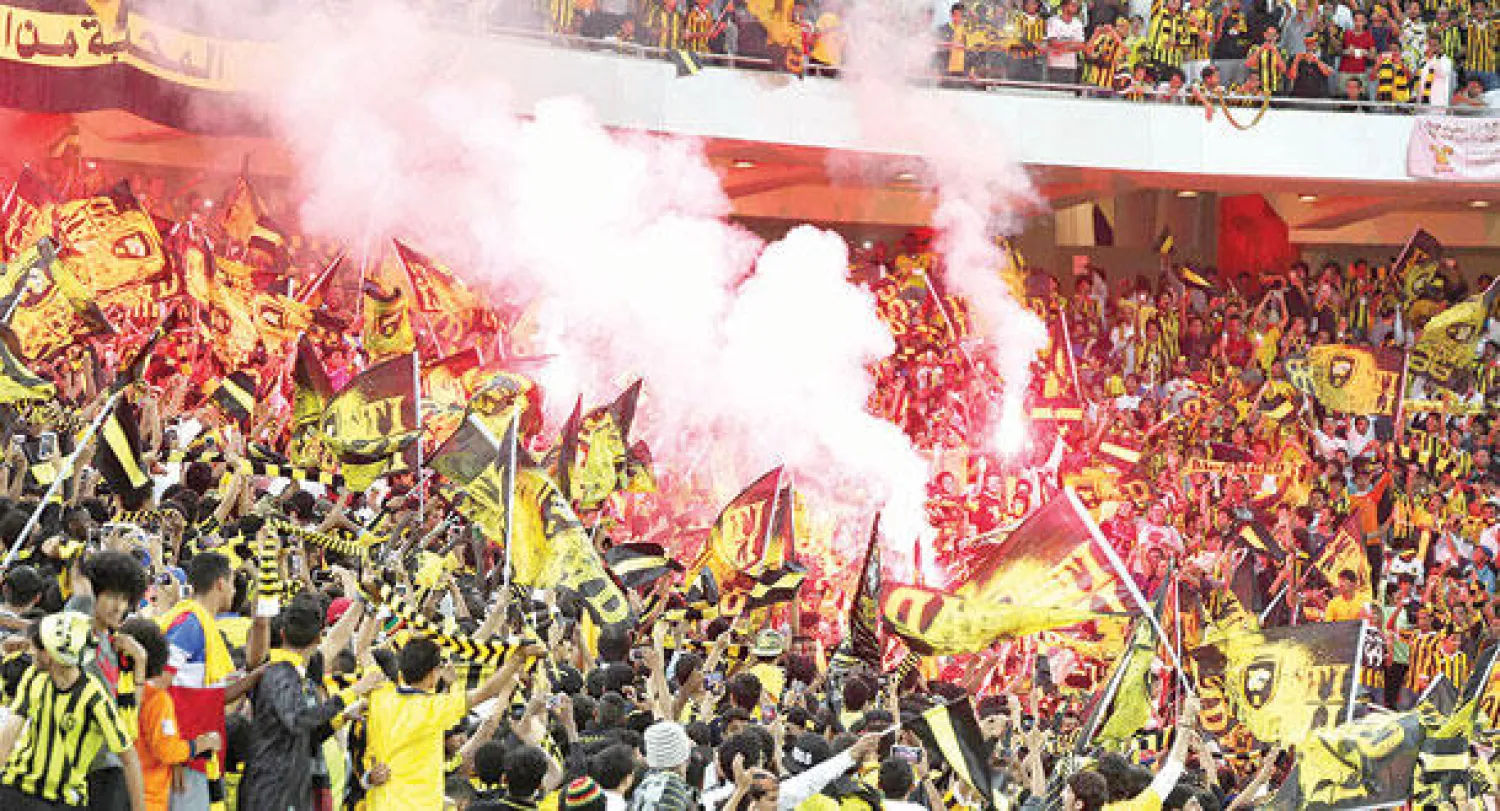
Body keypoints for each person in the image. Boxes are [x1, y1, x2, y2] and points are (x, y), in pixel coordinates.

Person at [362, 636, 538, 810]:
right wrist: (517, 659)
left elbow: (363, 650)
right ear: (432, 674)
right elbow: (485, 692)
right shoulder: (434, 708)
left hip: (379, 804)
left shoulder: (379, 696)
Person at [0, 611, 147, 811]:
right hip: (15, 789)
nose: (31, 652)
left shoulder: (94, 697)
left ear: (52, 654)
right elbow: (10, 732)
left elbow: (129, 759)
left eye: (36, 647)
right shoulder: (34, 676)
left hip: (63, 801)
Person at [117, 619, 221, 811]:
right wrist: (201, 744)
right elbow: (166, 750)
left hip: (116, 794)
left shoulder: (116, 692)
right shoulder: (156, 700)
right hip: (148, 799)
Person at [1046, 0, 1087, 84]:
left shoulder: (1078, 23)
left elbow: (1080, 45)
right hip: (1054, 65)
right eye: (1072, 4)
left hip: (1071, 65)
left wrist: (1062, 45)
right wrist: (1071, 42)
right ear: (1064, 6)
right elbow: (1053, 42)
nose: (1075, 6)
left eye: (1076, 5)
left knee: (1069, 93)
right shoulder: (1053, 21)